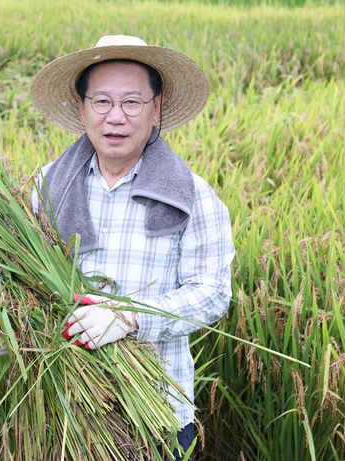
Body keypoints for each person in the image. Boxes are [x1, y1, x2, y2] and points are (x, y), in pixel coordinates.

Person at [28, 35, 236, 459]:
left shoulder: (191, 196)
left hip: (158, 410)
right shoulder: (47, 187)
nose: (116, 117)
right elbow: (22, 278)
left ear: (156, 108)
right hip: (62, 407)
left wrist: (129, 318)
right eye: (102, 101)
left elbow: (212, 293)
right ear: (82, 106)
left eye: (132, 103)